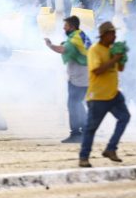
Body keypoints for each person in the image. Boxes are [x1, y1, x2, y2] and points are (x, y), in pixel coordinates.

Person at [79, 21, 130, 168]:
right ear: (104, 35)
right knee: (91, 129)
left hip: (113, 94)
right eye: (112, 33)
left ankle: (111, 148)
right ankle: (84, 157)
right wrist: (114, 58)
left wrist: (122, 58)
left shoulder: (112, 49)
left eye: (115, 33)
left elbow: (120, 69)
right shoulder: (95, 50)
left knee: (125, 117)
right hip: (98, 96)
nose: (114, 36)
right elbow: (96, 70)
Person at [45, 16, 91, 143]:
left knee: (73, 104)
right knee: (78, 103)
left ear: (72, 26)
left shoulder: (74, 39)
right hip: (83, 75)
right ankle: (87, 129)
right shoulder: (79, 35)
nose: (64, 28)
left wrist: (50, 45)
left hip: (79, 76)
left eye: (65, 26)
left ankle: (76, 133)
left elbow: (63, 49)